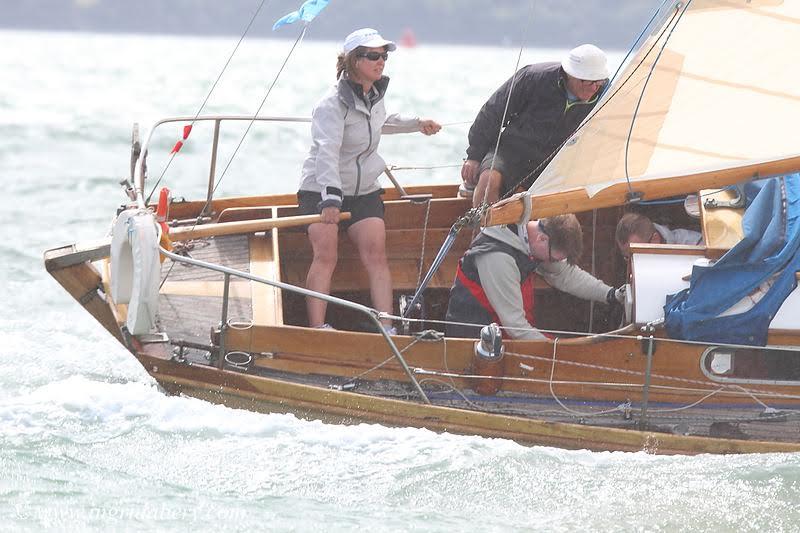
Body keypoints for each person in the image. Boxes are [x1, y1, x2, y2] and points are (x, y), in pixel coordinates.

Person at [298, 28, 441, 333]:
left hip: (363, 191)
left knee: (376, 252)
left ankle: (387, 327)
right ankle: (316, 328)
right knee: (326, 253)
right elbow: (327, 152)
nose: (382, 61)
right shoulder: (330, 104)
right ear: (354, 61)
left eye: (384, 55)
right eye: (374, 56)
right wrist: (331, 198)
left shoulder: (374, 96)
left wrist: (417, 124)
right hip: (322, 189)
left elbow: (383, 123)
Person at [461, 44, 609, 207]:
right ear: (570, 75)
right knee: (489, 180)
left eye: (599, 82)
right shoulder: (533, 77)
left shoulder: (606, 93)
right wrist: (474, 156)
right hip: (512, 150)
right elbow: (493, 112)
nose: (594, 87)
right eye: (588, 82)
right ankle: (485, 231)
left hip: (556, 162)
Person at [445, 215, 622, 340]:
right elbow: (516, 328)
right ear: (542, 239)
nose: (552, 262)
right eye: (553, 259)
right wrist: (558, 351)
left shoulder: (532, 242)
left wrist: (611, 294)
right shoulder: (498, 257)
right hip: (475, 344)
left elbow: (565, 274)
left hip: (509, 337)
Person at [615, 212, 703, 258]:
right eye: (627, 257)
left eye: (635, 255)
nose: (631, 264)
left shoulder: (698, 248)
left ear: (655, 240)